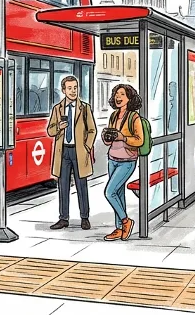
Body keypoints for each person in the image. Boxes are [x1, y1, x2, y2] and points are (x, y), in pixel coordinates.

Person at [46, 76, 97, 231]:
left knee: (82, 186)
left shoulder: (85, 108)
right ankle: (63, 218)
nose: (73, 91)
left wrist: (87, 147)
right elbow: (50, 130)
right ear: (63, 90)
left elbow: (92, 130)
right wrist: (59, 127)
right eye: (70, 88)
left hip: (79, 151)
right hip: (63, 152)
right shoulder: (57, 108)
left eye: (75, 87)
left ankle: (85, 218)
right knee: (63, 186)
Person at [102, 83, 144, 242]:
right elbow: (111, 137)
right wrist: (107, 138)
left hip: (127, 160)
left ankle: (126, 222)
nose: (118, 97)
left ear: (129, 98)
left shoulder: (134, 117)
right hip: (112, 158)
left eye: (122, 95)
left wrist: (123, 138)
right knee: (118, 194)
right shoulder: (113, 116)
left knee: (109, 192)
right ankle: (119, 228)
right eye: (116, 94)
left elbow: (140, 140)